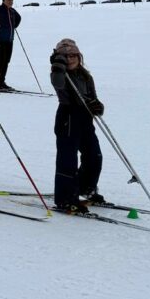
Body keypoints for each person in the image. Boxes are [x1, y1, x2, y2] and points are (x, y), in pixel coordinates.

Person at [49, 38, 104, 213]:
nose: (70, 59)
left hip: (85, 118)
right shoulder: (60, 74)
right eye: (65, 56)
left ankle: (85, 188)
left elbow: (93, 97)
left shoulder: (86, 76)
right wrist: (58, 65)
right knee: (68, 159)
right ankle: (65, 198)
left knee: (94, 155)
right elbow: (57, 83)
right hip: (68, 117)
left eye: (73, 55)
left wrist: (97, 106)